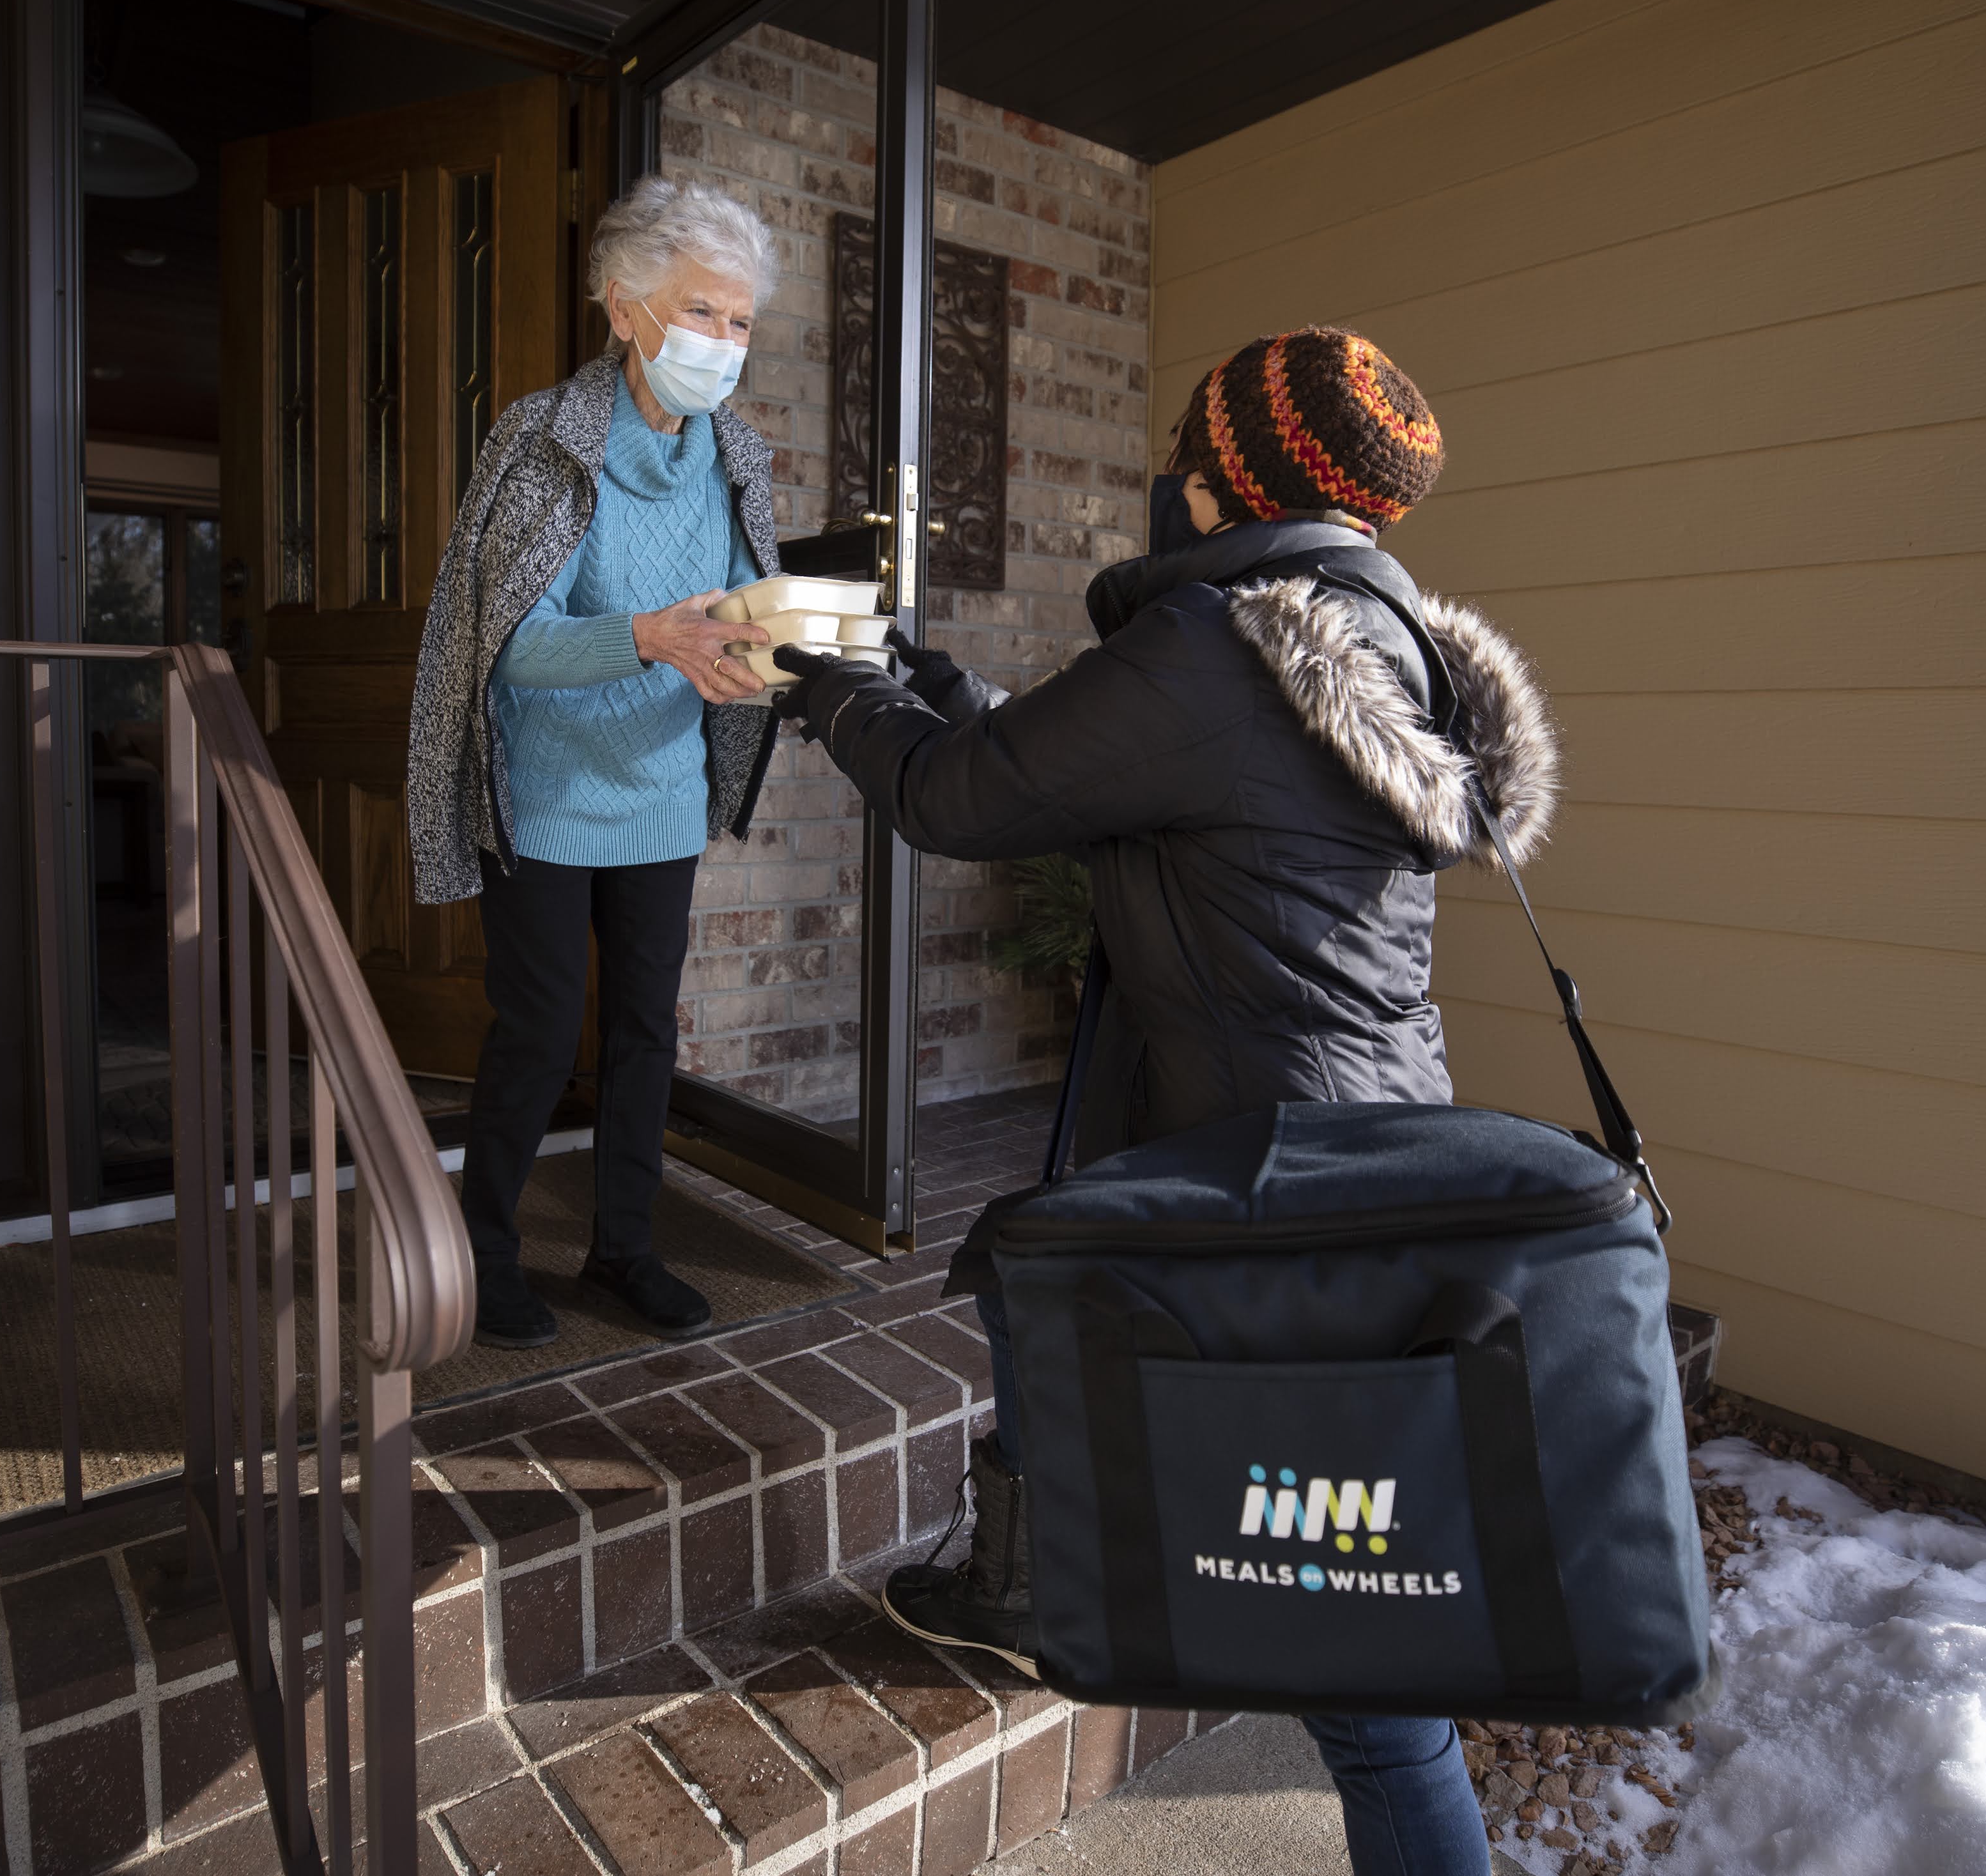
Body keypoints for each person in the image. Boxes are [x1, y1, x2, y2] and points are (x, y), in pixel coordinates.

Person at [771, 327, 1557, 1876]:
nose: (1167, 477)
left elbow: (958, 796)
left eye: (1187, 452)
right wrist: (931, 681)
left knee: (1372, 1695)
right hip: (1340, 1146)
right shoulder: (1338, 642)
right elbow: (1098, 769)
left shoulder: (1217, 652)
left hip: (1275, 1179)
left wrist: (834, 685)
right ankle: (1060, 1569)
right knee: (1030, 1273)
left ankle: (1088, 1573)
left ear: (1226, 479)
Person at [406, 176, 785, 1350]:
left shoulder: (737, 453)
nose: (723, 345)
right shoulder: (539, 439)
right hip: (550, 790)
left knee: (642, 1030)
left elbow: (731, 608)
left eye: (740, 321)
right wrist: (645, 635)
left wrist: (757, 650)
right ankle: (480, 1249)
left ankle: (624, 1246)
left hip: (663, 790)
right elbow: (502, 647)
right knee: (535, 1028)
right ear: (624, 308)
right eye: (702, 314)